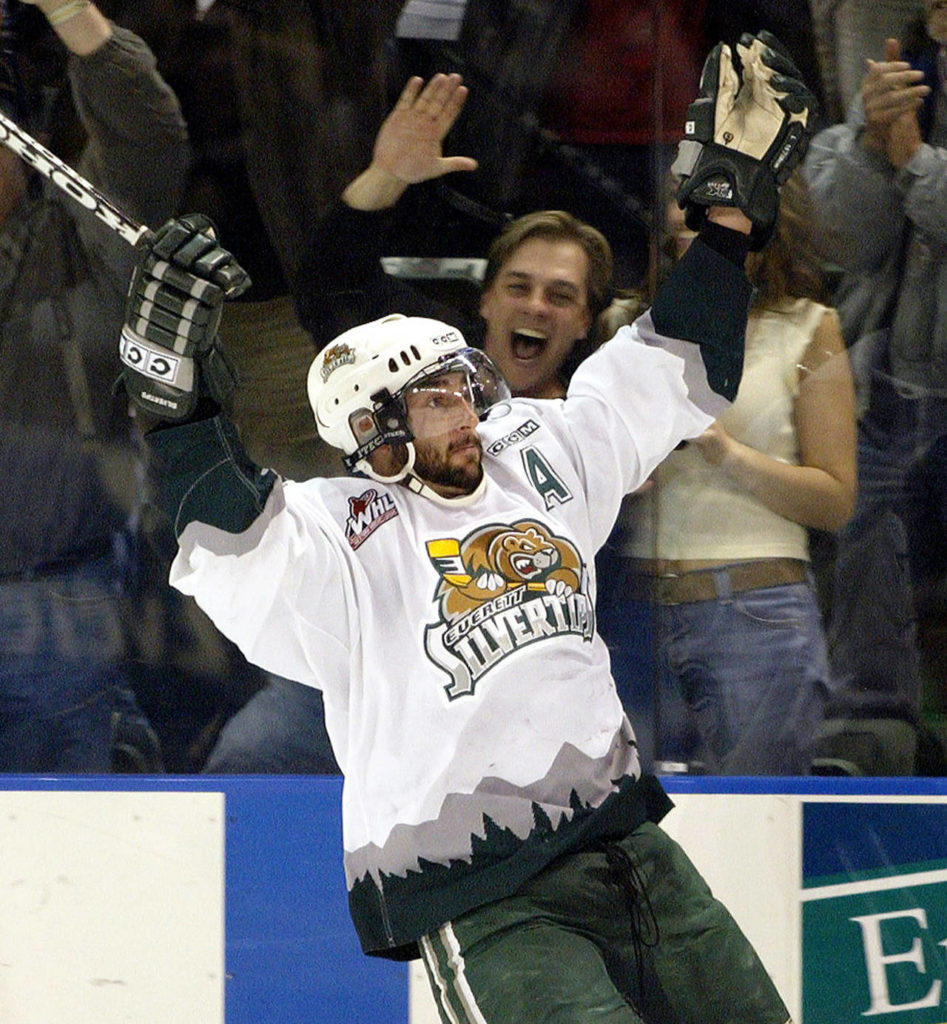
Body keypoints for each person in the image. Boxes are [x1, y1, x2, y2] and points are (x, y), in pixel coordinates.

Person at [118, 31, 815, 1016]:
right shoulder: (342, 532)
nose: (466, 406)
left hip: (624, 845)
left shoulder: (538, 451)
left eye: (462, 384)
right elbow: (228, 538)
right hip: (480, 891)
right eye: (437, 397)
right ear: (377, 433)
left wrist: (729, 215)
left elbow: (666, 373)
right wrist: (178, 403)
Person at [203, 71, 617, 774]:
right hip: (377, 642)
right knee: (247, 759)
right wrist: (385, 176)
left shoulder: (590, 426)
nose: (536, 307)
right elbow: (331, 281)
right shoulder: (413, 361)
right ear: (484, 300)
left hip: (521, 667)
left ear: (584, 318)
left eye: (560, 295)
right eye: (518, 287)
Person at [607, 170, 856, 775]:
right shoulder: (626, 322)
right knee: (625, 830)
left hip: (756, 609)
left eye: (716, 200)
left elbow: (836, 500)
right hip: (633, 608)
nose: (692, 213)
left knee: (758, 828)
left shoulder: (807, 326)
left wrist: (723, 450)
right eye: (682, 198)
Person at [0, 0, 188, 771]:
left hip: (57, 600)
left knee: (65, 851)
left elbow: (149, 137)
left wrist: (72, 12)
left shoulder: (86, 237)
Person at [804, 0, 947, 769]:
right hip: (887, 388)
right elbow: (829, 238)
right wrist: (866, 143)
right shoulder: (877, 109)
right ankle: (868, 742)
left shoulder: (911, 138)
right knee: (864, 559)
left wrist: (915, 165)